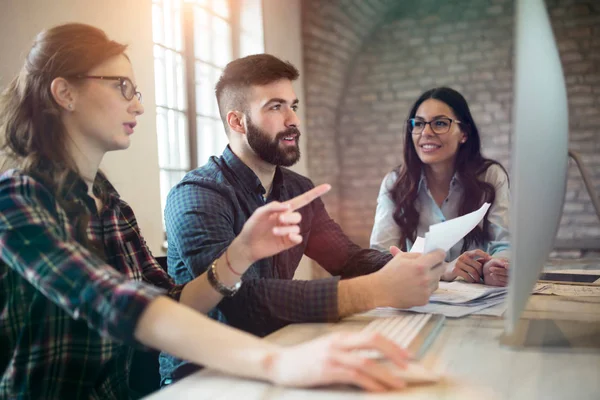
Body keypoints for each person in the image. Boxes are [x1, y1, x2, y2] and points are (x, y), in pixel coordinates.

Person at [0, 23, 442, 398]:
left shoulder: (109, 204)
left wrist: (240, 254)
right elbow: (115, 303)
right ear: (65, 93)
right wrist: (278, 361)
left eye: (294, 106)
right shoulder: (15, 198)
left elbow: (172, 300)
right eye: (122, 88)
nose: (137, 103)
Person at [161, 54, 445, 383]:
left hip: (281, 353)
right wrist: (374, 291)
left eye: (293, 105)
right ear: (238, 122)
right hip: (205, 376)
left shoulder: (297, 188)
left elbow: (347, 258)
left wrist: (416, 267)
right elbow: (242, 302)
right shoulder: (196, 196)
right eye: (275, 107)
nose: (293, 119)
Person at [370, 87, 510, 287]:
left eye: (440, 123)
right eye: (419, 124)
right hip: (420, 296)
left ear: (464, 133)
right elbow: (380, 256)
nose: (426, 132)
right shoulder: (395, 183)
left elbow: (505, 244)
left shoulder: (490, 176)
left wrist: (495, 266)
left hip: (479, 296)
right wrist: (442, 268)